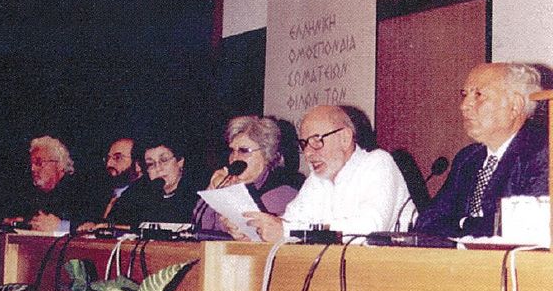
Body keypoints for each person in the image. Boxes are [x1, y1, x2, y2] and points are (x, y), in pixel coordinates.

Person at [228, 105, 415, 242]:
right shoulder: (318, 179)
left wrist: (286, 231)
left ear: (345, 138)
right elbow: (290, 221)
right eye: (304, 144)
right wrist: (255, 231)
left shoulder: (377, 162)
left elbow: (369, 229)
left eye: (317, 140)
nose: (308, 153)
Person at [414, 62, 548, 237]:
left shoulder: (542, 154)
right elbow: (426, 222)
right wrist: (473, 226)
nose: (464, 105)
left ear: (515, 105)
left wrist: (462, 223)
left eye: (478, 95)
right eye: (464, 95)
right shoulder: (468, 158)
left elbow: (520, 227)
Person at [194, 115, 303, 233]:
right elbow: (197, 224)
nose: (235, 158)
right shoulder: (231, 183)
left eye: (244, 150)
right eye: (232, 151)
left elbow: (246, 228)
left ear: (266, 153)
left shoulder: (283, 191)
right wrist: (213, 190)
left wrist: (228, 196)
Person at [3, 135, 85, 232]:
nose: (33, 169)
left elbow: (90, 227)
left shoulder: (79, 191)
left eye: (39, 163)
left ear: (59, 164)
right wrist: (21, 223)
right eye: (32, 164)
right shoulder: (30, 194)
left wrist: (60, 227)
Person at [79, 137, 154, 230]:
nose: (109, 164)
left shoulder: (149, 195)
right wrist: (90, 226)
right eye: (107, 158)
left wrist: (110, 227)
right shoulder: (99, 192)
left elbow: (141, 228)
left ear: (138, 164)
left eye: (118, 158)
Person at [140, 134, 201, 224]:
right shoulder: (140, 195)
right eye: (150, 164)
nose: (158, 168)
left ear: (180, 162)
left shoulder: (197, 197)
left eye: (164, 160)